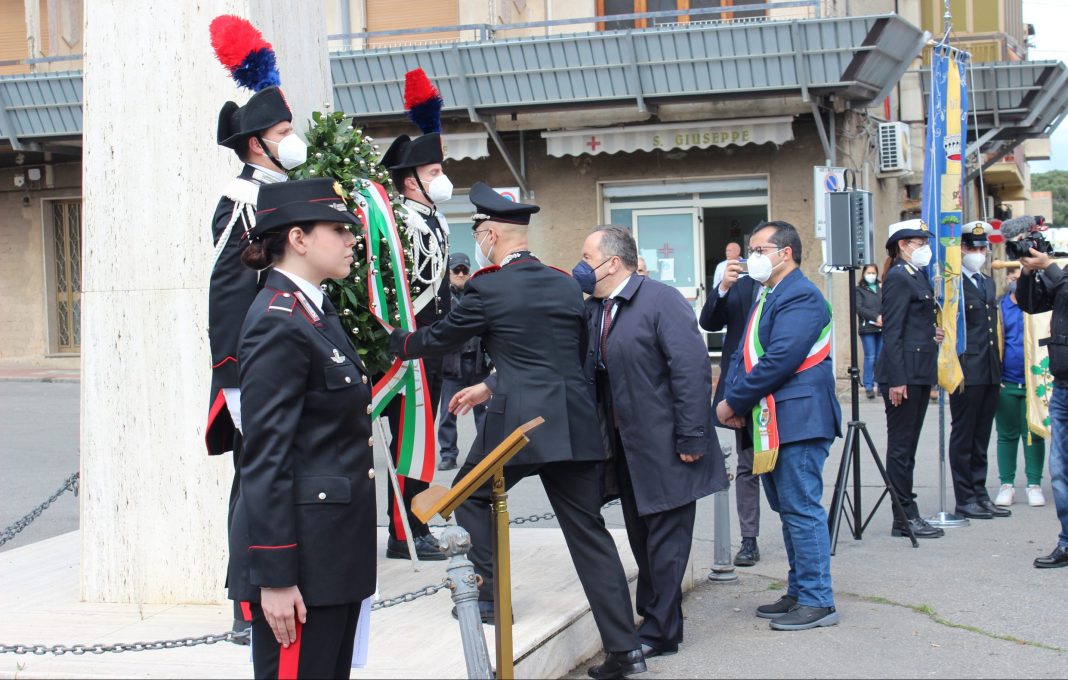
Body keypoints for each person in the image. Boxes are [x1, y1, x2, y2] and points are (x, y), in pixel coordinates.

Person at [388, 182, 647, 679]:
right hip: (574, 422)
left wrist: (397, 340)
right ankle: (626, 650)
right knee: (589, 534)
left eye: (479, 233)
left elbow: (439, 339)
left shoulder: (487, 286)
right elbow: (574, 356)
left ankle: (487, 599)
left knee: (468, 497)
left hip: (518, 428)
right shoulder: (566, 283)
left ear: (489, 235)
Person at [227, 178, 376, 677]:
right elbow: (265, 455)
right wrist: (275, 576)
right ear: (298, 238)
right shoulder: (278, 320)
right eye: (339, 229)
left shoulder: (315, 311)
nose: (352, 240)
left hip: (333, 556)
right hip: (303, 566)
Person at [580, 225, 728, 657]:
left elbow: (691, 371)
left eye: (588, 258)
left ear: (613, 263)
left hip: (670, 445)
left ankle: (660, 632)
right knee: (643, 539)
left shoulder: (660, 301)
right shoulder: (599, 308)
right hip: (627, 449)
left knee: (666, 542)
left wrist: (693, 436)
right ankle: (656, 621)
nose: (582, 266)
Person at [206, 84, 306, 638]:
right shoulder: (244, 199)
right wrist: (234, 378)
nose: (294, 142)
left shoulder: (276, 191)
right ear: (256, 145)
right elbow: (228, 292)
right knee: (255, 480)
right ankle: (245, 602)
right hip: (253, 368)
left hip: (287, 362)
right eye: (284, 134)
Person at [715, 220, 841, 631]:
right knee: (788, 510)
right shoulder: (769, 293)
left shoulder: (801, 295)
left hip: (800, 418)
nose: (751, 257)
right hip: (774, 419)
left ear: (785, 252)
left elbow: (780, 359)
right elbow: (741, 352)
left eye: (758, 249)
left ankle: (818, 600)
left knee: (802, 510)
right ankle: (800, 591)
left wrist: (734, 400)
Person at [378, 126, 453, 561]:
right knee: (410, 443)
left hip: (432, 347)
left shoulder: (433, 219)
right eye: (435, 170)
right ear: (412, 181)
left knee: (420, 442)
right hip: (409, 350)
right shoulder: (399, 221)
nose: (442, 178)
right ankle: (406, 532)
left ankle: (413, 524)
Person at [874, 219, 946, 539]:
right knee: (901, 449)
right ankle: (904, 516)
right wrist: (898, 380)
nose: (925, 248)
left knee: (909, 447)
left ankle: (906, 513)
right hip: (903, 375)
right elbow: (892, 331)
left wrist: (931, 332)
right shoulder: (899, 278)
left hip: (917, 371)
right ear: (903, 245)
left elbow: (911, 324)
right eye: (920, 243)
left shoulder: (915, 275)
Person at [700, 241, 763, 567]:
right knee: (748, 465)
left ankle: (799, 534)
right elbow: (709, 321)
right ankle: (749, 539)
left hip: (778, 397)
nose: (755, 257)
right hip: (742, 392)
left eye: (761, 250)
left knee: (782, 468)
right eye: (752, 251)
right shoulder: (739, 286)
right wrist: (722, 286)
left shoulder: (790, 290)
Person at [949, 222, 1007, 520]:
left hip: (989, 368)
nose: (980, 253)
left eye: (983, 248)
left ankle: (980, 492)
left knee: (982, 435)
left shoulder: (986, 282)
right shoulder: (953, 283)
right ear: (962, 249)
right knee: (964, 435)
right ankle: (965, 498)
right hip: (965, 369)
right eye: (974, 248)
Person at [1014, 246, 1068, 568]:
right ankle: (1066, 542)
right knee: (1060, 472)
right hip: (1061, 387)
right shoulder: (1062, 275)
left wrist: (1048, 266)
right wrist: (1028, 270)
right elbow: (1031, 305)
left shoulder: (1060, 274)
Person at [994, 267, 1047, 507]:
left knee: (1033, 433)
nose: (1017, 278)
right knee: (1007, 435)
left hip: (1034, 381)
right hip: (1006, 380)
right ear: (1007, 277)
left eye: (1022, 273)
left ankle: (1034, 484)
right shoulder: (999, 307)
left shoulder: (1040, 306)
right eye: (1013, 273)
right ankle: (1007, 484)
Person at [436, 252, 491, 471]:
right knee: (448, 412)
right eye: (456, 270)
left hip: (478, 361)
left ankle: (485, 453)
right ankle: (448, 454)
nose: (460, 274)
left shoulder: (477, 295)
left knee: (483, 411)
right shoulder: (441, 299)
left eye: (464, 270)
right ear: (448, 273)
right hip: (451, 363)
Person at [855, 263, 883, 399]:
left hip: (881, 327)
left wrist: (883, 317)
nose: (871, 275)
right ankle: (868, 385)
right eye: (869, 273)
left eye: (874, 273)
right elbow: (859, 308)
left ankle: (880, 384)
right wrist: (875, 316)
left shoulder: (881, 288)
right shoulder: (859, 290)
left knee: (880, 357)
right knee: (870, 356)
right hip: (868, 327)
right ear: (864, 274)